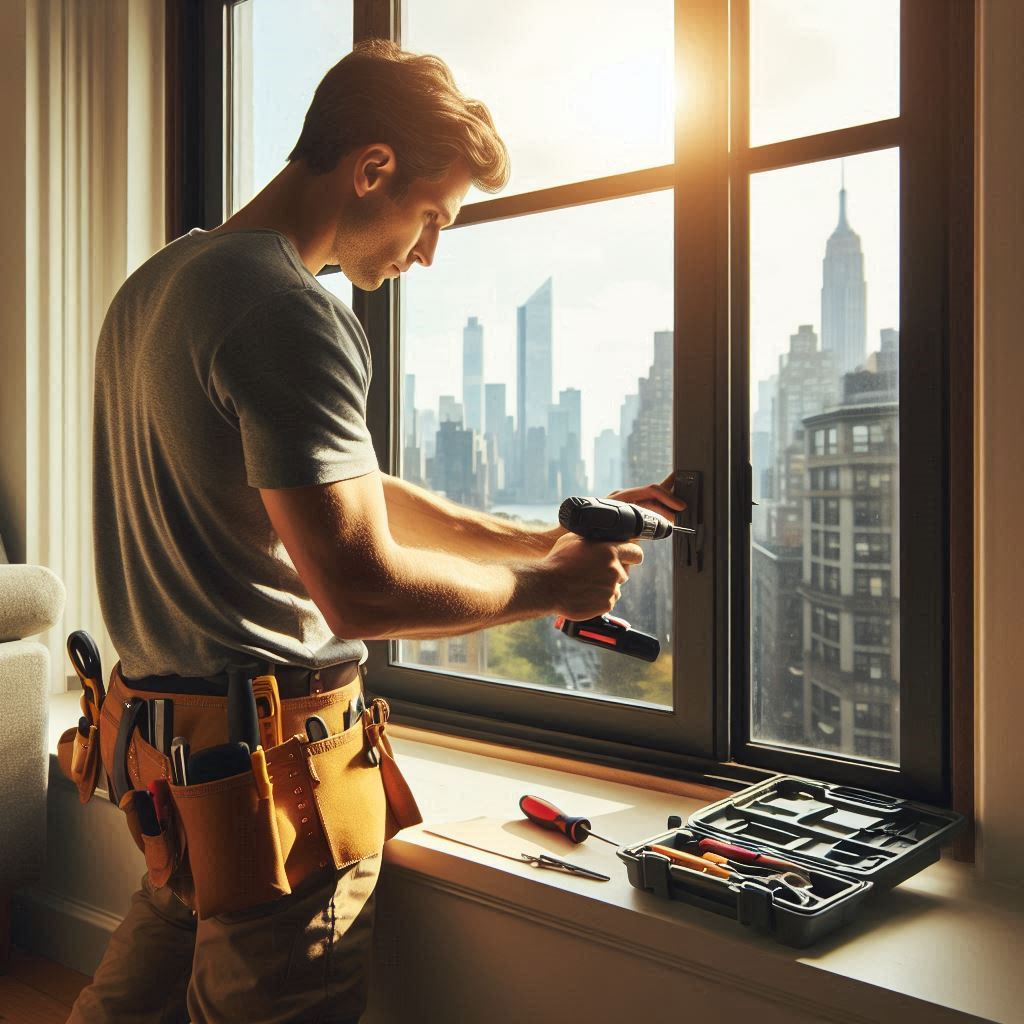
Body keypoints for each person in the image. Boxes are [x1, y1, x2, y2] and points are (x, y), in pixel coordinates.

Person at [69, 39, 683, 1024]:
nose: (429, 251)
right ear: (372, 169)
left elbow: (345, 489)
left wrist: (529, 541)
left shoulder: (158, 286)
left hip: (170, 768)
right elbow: (361, 589)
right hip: (274, 791)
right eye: (432, 217)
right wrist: (554, 591)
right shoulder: (286, 306)